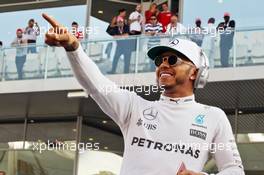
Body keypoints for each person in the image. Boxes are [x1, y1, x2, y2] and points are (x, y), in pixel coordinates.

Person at [43, 13, 245, 175]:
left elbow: (234, 169)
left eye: (172, 60)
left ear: (194, 72)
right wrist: (73, 47)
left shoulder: (213, 116)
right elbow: (96, 84)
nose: (164, 64)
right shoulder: (134, 107)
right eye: (160, 61)